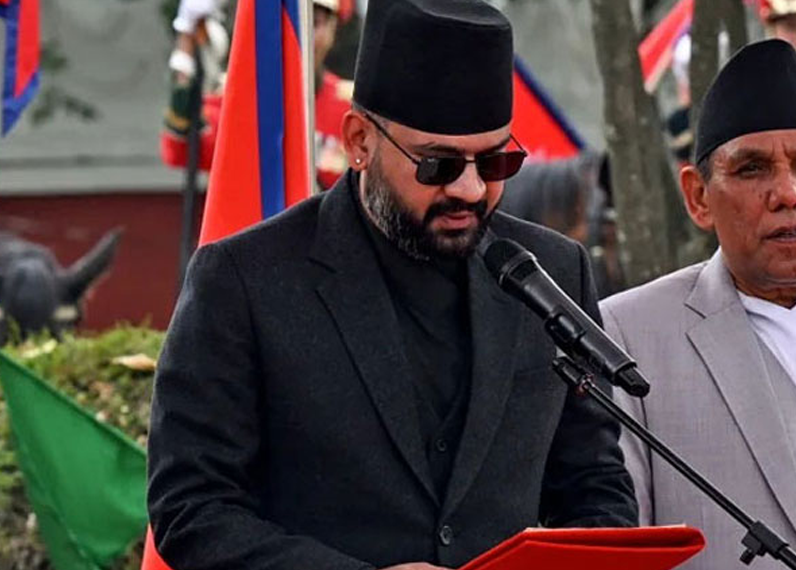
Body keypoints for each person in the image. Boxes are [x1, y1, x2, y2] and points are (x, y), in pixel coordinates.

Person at [147, 1, 637, 569]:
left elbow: (595, 488)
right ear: (359, 141)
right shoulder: (244, 279)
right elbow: (192, 509)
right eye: (438, 165)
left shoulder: (553, 270)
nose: (471, 190)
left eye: (494, 162)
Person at [602, 39, 796, 570]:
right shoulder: (625, 337)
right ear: (698, 197)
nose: (787, 193)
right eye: (753, 169)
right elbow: (614, 546)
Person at [160, 0, 354, 191]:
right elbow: (181, 148)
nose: (300, 35)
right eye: (288, 22)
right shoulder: (235, 99)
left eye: (314, 23)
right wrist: (186, 43)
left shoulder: (350, 108)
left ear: (333, 29)